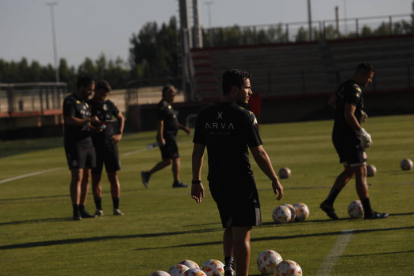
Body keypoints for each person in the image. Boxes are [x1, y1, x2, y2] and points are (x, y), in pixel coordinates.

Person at [191, 69, 284, 276]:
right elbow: (259, 152)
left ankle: (229, 265)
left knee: (231, 225)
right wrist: (274, 178)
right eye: (247, 87)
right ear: (235, 89)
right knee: (243, 234)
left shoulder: (205, 115)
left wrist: (196, 181)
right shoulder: (245, 116)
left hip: (216, 181)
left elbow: (198, 151)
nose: (250, 92)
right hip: (241, 182)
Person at [320, 63, 388, 220]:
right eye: (369, 78)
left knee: (349, 170)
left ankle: (328, 202)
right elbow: (348, 115)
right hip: (349, 136)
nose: (370, 81)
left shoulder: (344, 85)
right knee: (361, 172)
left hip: (338, 134)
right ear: (362, 74)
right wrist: (361, 131)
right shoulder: (355, 90)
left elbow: (331, 102)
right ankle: (369, 212)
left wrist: (357, 111)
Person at [141, 85, 191, 188]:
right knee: (176, 158)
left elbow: (173, 122)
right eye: (172, 92)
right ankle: (176, 182)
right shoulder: (162, 106)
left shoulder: (168, 105)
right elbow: (160, 123)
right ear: (165, 94)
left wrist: (183, 128)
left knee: (168, 161)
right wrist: (161, 137)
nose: (174, 94)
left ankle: (147, 174)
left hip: (170, 136)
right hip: (167, 136)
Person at [87, 80, 125, 216]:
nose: (103, 97)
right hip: (94, 147)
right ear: (96, 91)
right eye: (101, 94)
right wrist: (93, 125)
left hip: (110, 145)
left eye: (105, 95)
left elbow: (121, 117)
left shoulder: (109, 105)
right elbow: (84, 124)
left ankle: (116, 208)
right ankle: (99, 208)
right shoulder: (88, 105)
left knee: (113, 176)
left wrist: (119, 133)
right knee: (96, 178)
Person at [63, 76, 98, 221]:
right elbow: (70, 120)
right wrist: (89, 120)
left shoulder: (86, 104)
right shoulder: (70, 101)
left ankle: (82, 208)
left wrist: (96, 127)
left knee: (87, 177)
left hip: (88, 142)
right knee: (77, 176)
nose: (90, 92)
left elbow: (85, 123)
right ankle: (75, 210)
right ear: (81, 87)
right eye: (89, 89)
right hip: (74, 143)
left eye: (92, 90)